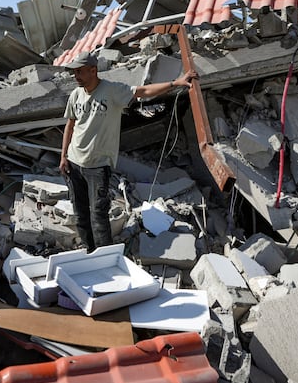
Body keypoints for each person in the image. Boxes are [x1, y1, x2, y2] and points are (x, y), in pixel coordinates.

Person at [59, 50, 198, 251]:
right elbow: (69, 126)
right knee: (80, 214)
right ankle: (89, 252)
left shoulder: (112, 91)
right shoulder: (75, 95)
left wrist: (175, 83)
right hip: (74, 162)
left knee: (98, 214)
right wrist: (63, 156)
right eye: (74, 73)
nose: (76, 77)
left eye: (80, 72)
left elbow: (143, 92)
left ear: (93, 70)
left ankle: (104, 256)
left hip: (98, 166)